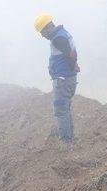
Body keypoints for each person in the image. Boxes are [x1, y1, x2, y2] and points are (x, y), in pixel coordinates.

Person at [34, 13, 80, 144]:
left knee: (60, 109)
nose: (43, 36)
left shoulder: (58, 39)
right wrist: (74, 65)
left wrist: (73, 65)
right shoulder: (63, 34)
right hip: (67, 78)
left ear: (48, 27)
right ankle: (70, 138)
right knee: (65, 108)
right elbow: (71, 53)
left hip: (63, 79)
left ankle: (66, 143)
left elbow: (70, 54)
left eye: (42, 32)